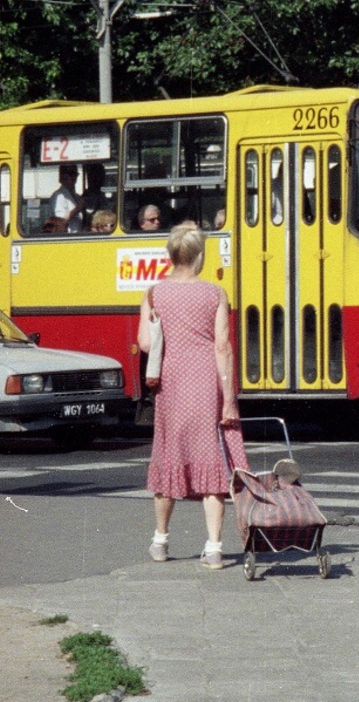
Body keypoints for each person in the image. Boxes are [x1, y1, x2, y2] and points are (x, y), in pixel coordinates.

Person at [137, 223, 246, 569]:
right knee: (211, 462)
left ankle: (160, 541)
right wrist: (228, 398)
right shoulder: (215, 294)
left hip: (171, 383)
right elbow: (222, 348)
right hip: (205, 383)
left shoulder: (154, 293)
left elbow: (145, 344)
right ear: (199, 256)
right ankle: (214, 547)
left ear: (170, 256)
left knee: (169, 455)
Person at [46, 164, 82, 233]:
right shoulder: (59, 196)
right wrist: (78, 208)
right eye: (71, 174)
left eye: (75, 174)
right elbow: (60, 221)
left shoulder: (77, 196)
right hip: (66, 237)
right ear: (61, 176)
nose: (73, 177)